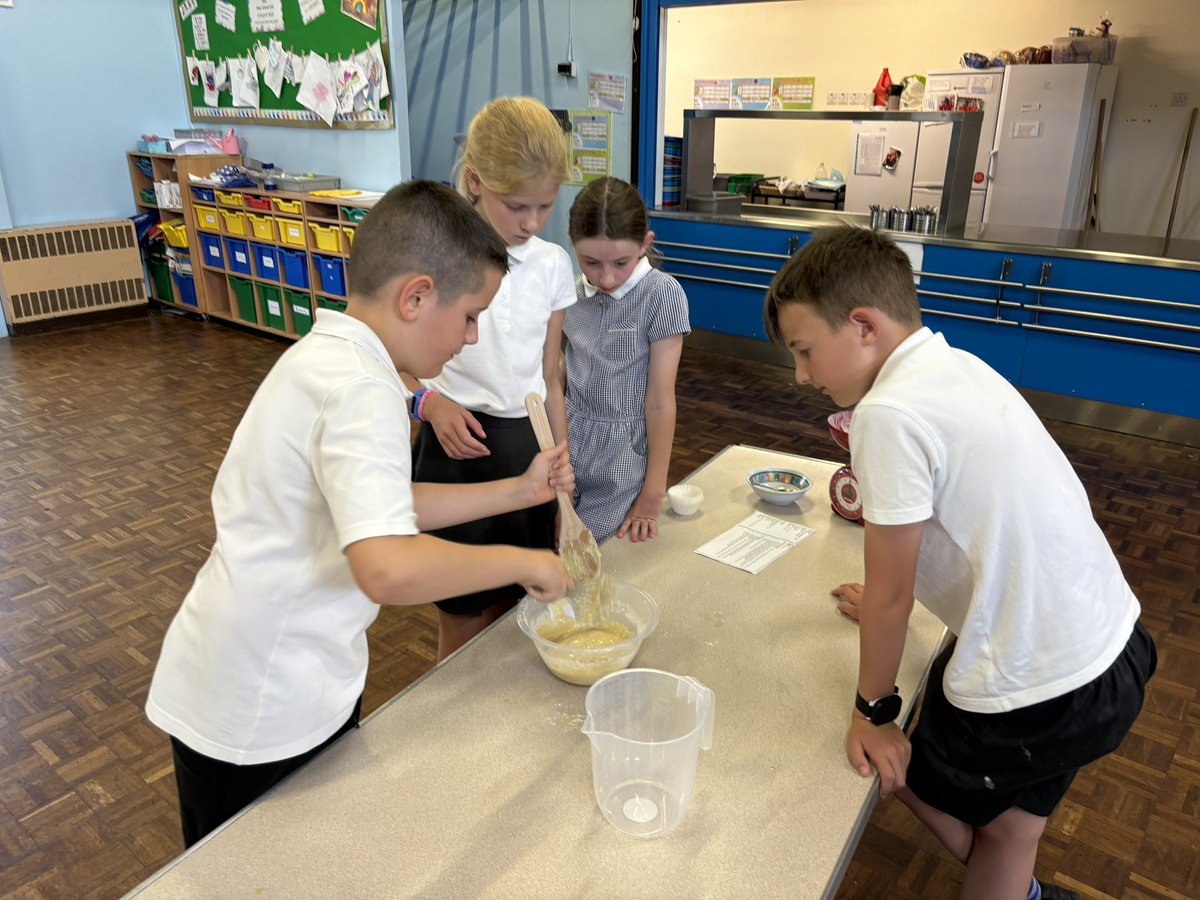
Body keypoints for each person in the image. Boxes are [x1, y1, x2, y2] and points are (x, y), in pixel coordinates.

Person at [145, 180, 574, 847]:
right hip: (259, 705)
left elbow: (376, 509)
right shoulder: (362, 389)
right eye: (469, 316)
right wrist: (526, 561)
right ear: (417, 296)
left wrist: (516, 492)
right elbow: (386, 565)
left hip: (280, 681)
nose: (471, 336)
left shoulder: (334, 358)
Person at [763, 225, 1156, 900]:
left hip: (1040, 686)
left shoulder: (885, 413)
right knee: (1009, 832)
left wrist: (872, 713)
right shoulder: (954, 363)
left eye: (804, 351)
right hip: (1112, 649)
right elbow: (975, 521)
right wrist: (895, 596)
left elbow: (889, 598)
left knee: (898, 766)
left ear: (863, 325)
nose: (801, 375)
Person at [404, 97, 576, 661]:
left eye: (544, 206)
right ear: (474, 181)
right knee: (461, 604)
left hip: (526, 444)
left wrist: (560, 451)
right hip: (457, 445)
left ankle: (496, 723)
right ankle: (454, 724)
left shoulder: (550, 264)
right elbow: (391, 362)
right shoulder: (435, 254)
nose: (530, 222)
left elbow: (551, 375)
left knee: (514, 597)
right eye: (516, 205)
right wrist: (429, 402)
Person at [564, 176, 690, 542]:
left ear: (644, 244)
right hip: (568, 445)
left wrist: (653, 493)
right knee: (557, 551)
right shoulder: (569, 294)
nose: (605, 278)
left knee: (599, 555)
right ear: (572, 241)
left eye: (620, 263)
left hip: (622, 457)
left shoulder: (662, 295)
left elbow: (661, 402)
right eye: (590, 262)